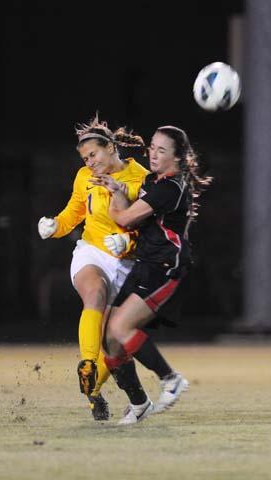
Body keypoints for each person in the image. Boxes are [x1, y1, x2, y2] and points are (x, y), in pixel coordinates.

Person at [90, 125, 212, 425]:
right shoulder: (151, 180)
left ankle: (171, 379)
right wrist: (118, 191)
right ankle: (139, 402)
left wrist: (114, 200)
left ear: (177, 157)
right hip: (145, 263)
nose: (153, 154)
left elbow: (123, 218)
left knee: (120, 328)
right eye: (152, 147)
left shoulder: (170, 188)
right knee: (109, 340)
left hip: (164, 266)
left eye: (161, 150)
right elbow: (129, 221)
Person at [37, 115, 149, 420]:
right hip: (92, 253)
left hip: (127, 264)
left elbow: (150, 231)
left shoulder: (141, 179)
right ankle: (86, 363)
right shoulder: (83, 177)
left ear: (111, 147)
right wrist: (55, 226)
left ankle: (93, 391)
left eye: (93, 155)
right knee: (95, 294)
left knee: (112, 341)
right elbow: (74, 212)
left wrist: (126, 243)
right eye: (85, 158)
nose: (89, 162)